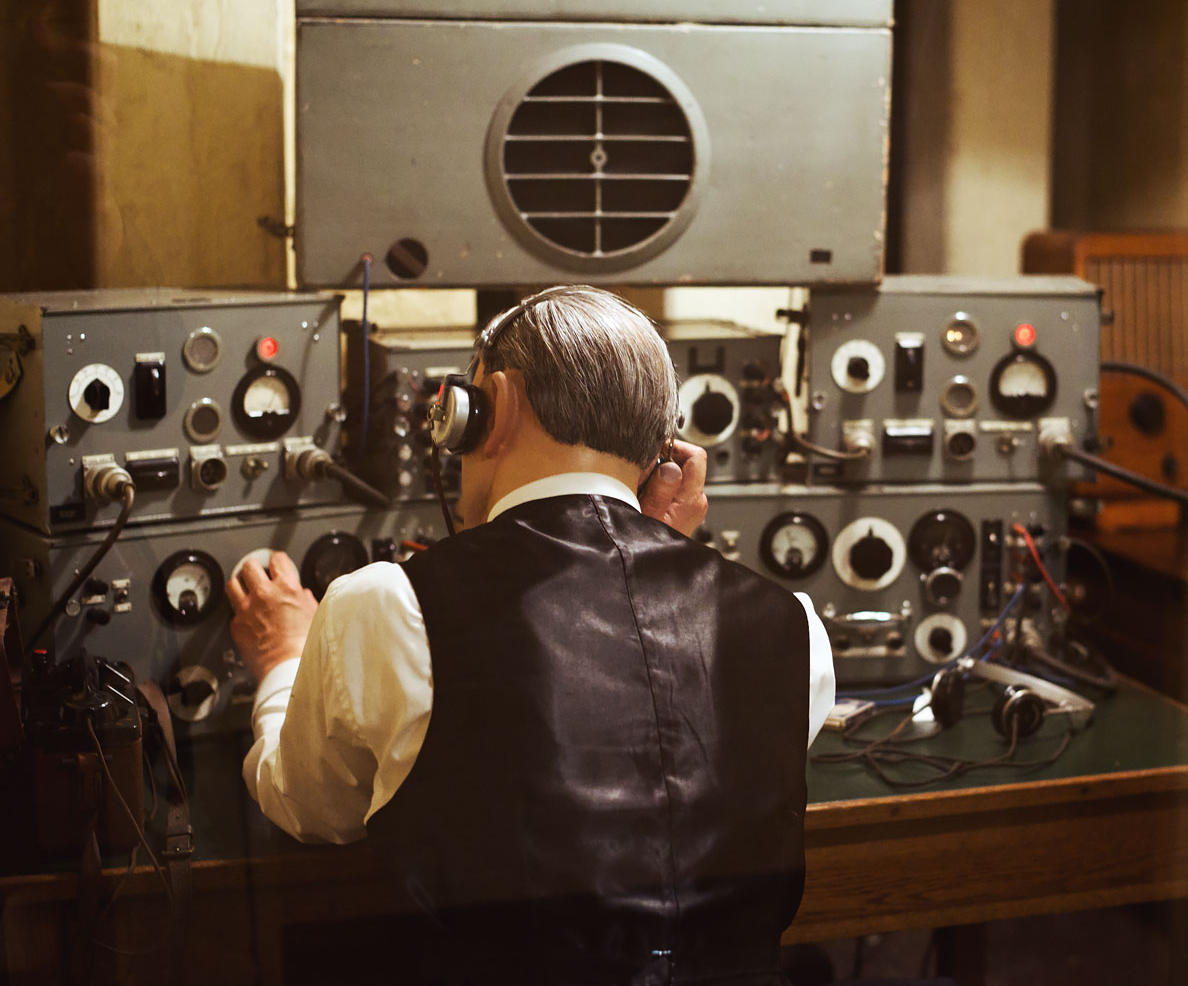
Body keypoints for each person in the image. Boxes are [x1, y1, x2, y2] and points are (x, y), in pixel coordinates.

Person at [227, 285, 836, 984]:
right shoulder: (794, 624)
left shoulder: (389, 605)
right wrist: (653, 552)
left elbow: (311, 809)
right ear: (661, 449)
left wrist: (282, 659)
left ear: (495, 405)